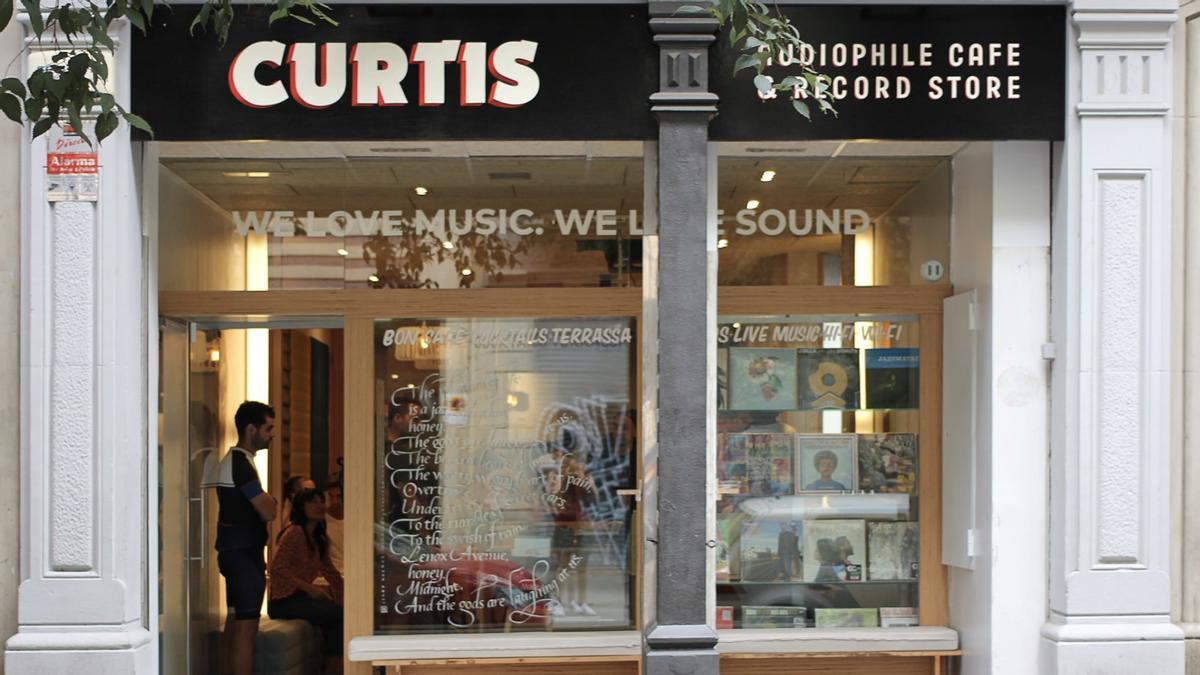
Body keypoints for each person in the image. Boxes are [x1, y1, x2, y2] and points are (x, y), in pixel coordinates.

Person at [215, 401, 277, 675]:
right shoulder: (239, 464)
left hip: (236, 553)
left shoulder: (237, 462)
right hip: (243, 556)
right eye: (268, 427)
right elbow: (267, 510)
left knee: (234, 622)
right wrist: (270, 502)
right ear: (251, 429)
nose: (272, 434)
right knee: (246, 629)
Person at [268, 487, 345, 674]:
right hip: (283, 600)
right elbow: (277, 568)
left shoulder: (318, 538)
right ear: (301, 507)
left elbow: (330, 572)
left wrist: (345, 594)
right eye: (312, 502)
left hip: (300, 597)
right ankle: (331, 670)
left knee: (340, 613)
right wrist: (310, 588)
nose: (319, 505)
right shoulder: (294, 532)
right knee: (336, 615)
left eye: (321, 501)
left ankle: (333, 667)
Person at [324, 476, 345, 574]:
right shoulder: (321, 520)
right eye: (331, 496)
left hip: (353, 570)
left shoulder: (354, 520)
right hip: (331, 573)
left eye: (338, 496)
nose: (334, 501)